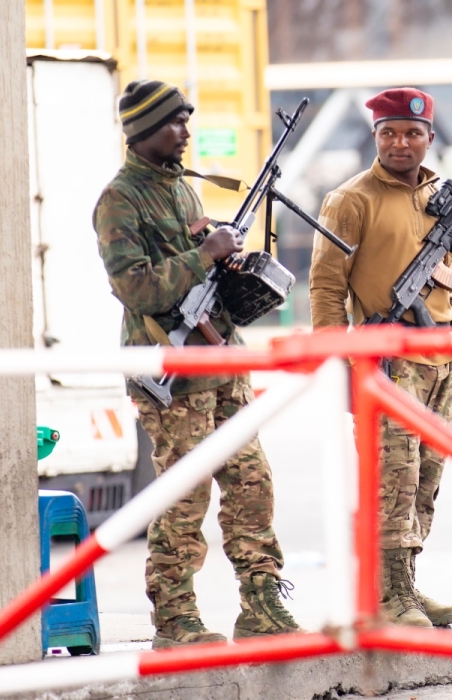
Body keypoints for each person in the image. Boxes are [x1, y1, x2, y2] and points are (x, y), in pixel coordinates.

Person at [93, 80, 301, 648]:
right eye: (174, 123)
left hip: (222, 361)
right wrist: (201, 254)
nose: (185, 132)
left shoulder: (184, 189)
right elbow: (134, 287)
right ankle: (175, 614)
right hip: (172, 369)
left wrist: (223, 260)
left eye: (187, 121)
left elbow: (196, 269)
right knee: (184, 493)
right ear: (142, 132)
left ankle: (261, 603)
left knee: (251, 483)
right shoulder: (120, 200)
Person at [308, 87, 452, 627]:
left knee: (426, 477)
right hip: (386, 360)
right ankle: (387, 595)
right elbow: (326, 287)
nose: (400, 143)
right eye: (388, 133)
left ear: (429, 138)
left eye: (411, 133)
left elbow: (449, 272)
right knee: (392, 478)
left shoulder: (439, 195)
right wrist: (338, 360)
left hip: (438, 360)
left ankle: (403, 584)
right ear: (374, 137)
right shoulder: (349, 200)